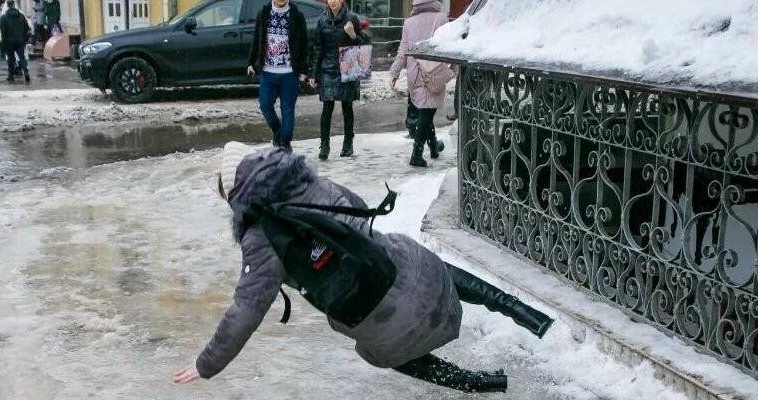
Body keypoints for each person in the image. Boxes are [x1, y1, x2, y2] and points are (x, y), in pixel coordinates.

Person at [173, 143, 555, 393]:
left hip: (377, 321)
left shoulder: (259, 238)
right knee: (419, 262)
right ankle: (530, 316)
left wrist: (206, 364)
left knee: (380, 346)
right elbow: (359, 214)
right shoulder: (313, 183)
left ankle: (476, 384)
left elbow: (246, 308)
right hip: (412, 275)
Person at [390, 0, 452, 168]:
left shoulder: (408, 22)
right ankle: (416, 155)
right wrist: (455, 68)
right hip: (434, 73)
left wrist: (394, 72)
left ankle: (433, 148)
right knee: (426, 114)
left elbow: (403, 51)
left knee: (426, 112)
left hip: (415, 73)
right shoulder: (441, 19)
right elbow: (448, 47)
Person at [309, 0, 370, 160]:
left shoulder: (351, 18)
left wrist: (353, 34)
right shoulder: (322, 20)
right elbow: (318, 48)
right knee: (327, 108)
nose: (333, 1)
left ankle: (348, 143)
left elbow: (363, 45)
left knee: (347, 106)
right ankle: (324, 145)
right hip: (328, 68)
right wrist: (313, 73)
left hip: (348, 66)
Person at [246, 0, 308, 152]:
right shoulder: (264, 13)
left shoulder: (297, 15)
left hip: (289, 73)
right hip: (268, 72)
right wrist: (251, 62)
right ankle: (278, 132)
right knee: (265, 105)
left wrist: (303, 70)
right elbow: (256, 40)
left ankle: (285, 144)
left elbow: (304, 44)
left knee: (287, 110)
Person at [0, 0, 29, 82]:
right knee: (22, 57)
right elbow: (26, 28)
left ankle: (11, 75)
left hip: (9, 42)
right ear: (14, 5)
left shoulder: (4, 17)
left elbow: (3, 31)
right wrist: (24, 39)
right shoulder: (21, 16)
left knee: (10, 59)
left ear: (7, 6)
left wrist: (3, 42)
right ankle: (26, 71)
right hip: (20, 40)